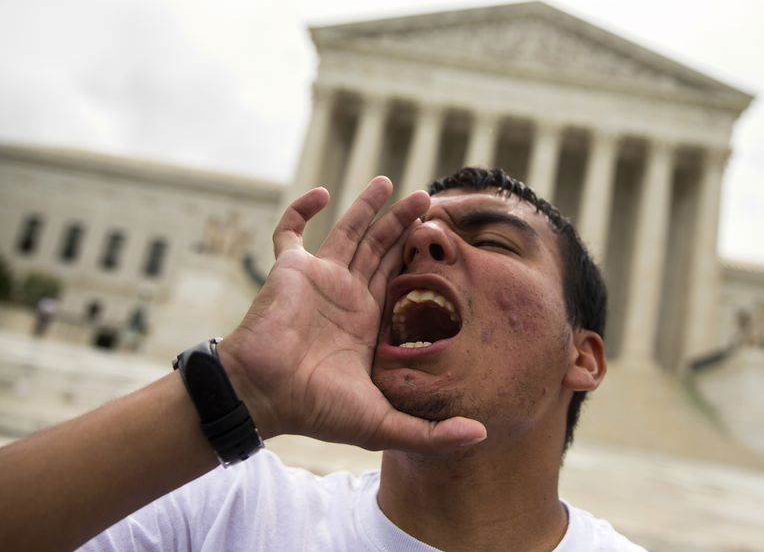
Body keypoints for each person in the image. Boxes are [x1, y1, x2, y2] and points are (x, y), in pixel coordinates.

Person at [0, 168, 646, 551]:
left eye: (496, 240)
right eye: (414, 231)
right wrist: (240, 388)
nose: (423, 239)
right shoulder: (224, 513)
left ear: (583, 356)